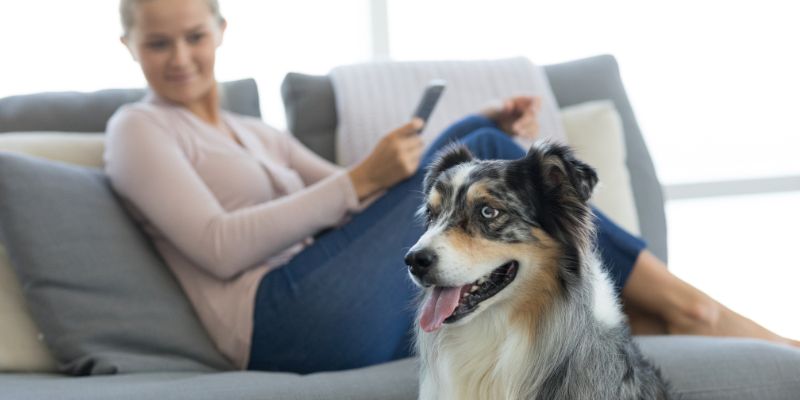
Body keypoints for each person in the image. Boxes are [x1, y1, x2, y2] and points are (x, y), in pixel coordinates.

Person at [107, 0, 798, 374]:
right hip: (277, 321)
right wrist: (365, 176)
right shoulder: (136, 130)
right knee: (484, 150)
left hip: (331, 297)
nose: (181, 58)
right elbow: (219, 246)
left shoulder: (249, 130)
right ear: (129, 45)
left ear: (222, 30)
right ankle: (692, 308)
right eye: (158, 42)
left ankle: (690, 323)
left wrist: (394, 169)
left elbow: (366, 205)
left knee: (483, 148)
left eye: (194, 35)